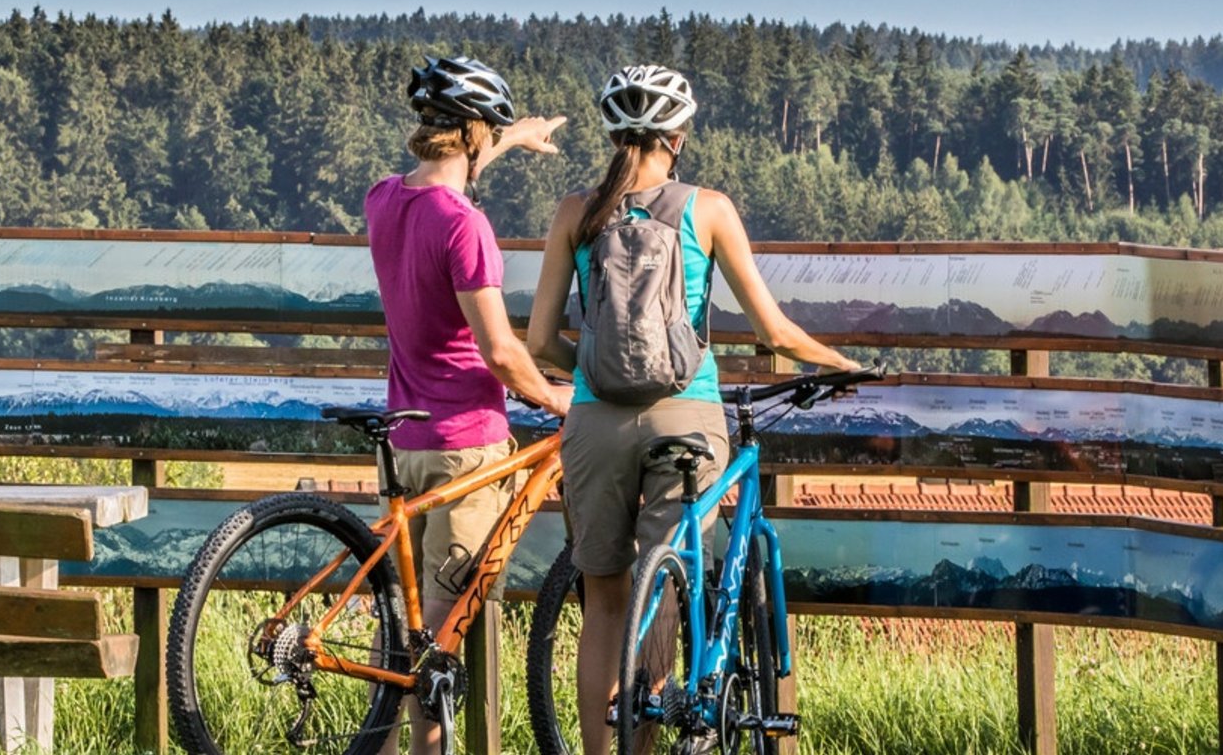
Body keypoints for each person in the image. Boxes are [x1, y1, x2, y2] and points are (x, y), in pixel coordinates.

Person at [525, 64, 859, 755]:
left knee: (605, 603)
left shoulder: (574, 213)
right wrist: (841, 365)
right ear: (677, 138)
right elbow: (775, 333)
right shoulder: (708, 209)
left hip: (594, 422)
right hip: (687, 415)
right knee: (664, 595)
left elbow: (537, 341)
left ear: (615, 134)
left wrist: (589, 372)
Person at [364, 54, 572, 754]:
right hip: (467, 448)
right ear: (474, 133)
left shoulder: (382, 200)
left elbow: (448, 173)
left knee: (394, 629)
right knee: (437, 651)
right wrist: (557, 400)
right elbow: (502, 352)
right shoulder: (466, 227)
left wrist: (510, 138)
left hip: (406, 441)